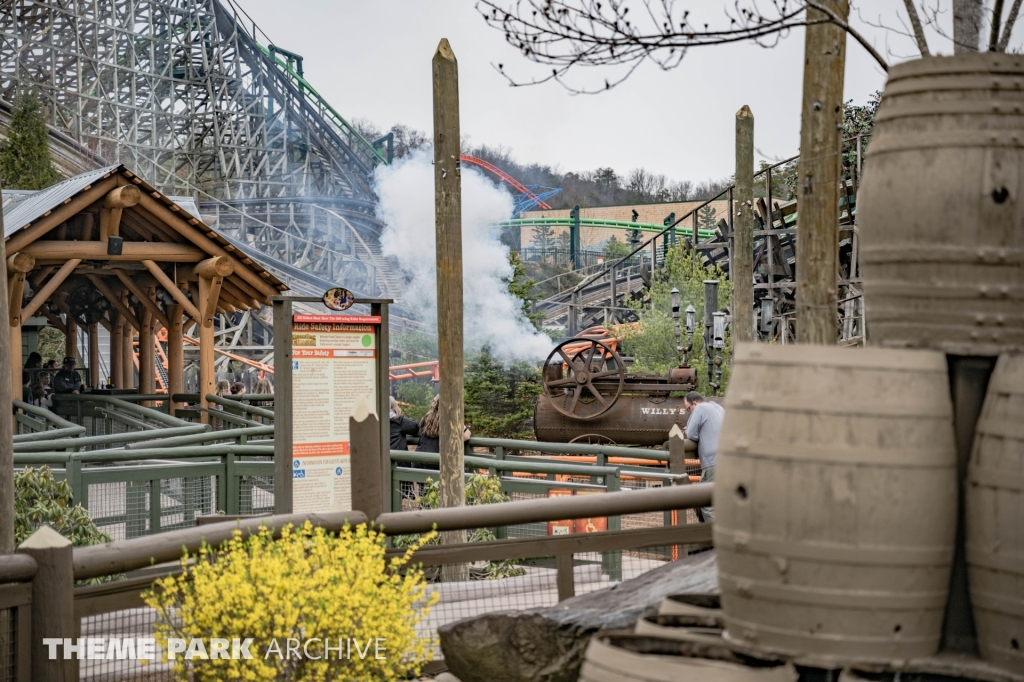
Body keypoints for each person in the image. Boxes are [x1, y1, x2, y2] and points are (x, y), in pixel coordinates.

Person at [683, 391, 724, 523]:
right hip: (726, 461)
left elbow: (691, 434)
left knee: (705, 502)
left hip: (712, 463)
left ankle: (714, 540)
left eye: (688, 409)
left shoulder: (700, 408)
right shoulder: (717, 407)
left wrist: (687, 429)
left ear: (694, 403)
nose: (689, 412)